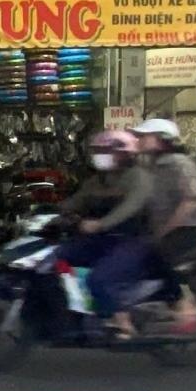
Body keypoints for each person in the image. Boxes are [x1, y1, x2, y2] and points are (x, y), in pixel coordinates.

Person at [135, 117, 196, 325]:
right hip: (173, 228)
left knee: (156, 255)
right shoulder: (155, 165)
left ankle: (184, 306)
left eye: (145, 136)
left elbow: (191, 201)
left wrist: (165, 230)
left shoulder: (179, 163)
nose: (140, 140)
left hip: (191, 228)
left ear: (161, 139)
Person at [65, 130, 151, 322]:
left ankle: (122, 323)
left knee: (98, 278)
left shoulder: (138, 177)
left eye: (105, 151)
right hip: (105, 239)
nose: (100, 155)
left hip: (134, 241)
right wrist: (51, 211)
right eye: (97, 151)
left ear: (125, 154)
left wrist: (101, 224)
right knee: (62, 257)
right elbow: (78, 200)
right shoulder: (99, 180)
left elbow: (131, 206)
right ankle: (79, 314)